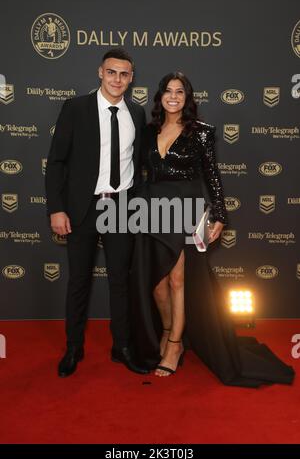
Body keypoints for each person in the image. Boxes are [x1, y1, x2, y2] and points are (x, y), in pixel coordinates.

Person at [130, 72, 295, 387]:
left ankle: (175, 345)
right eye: (168, 91)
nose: (174, 96)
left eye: (180, 91)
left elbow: (212, 175)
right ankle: (167, 330)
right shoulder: (148, 131)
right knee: (157, 282)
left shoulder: (201, 133)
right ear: (159, 97)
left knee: (178, 278)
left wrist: (219, 213)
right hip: (152, 209)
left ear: (188, 97)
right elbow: (139, 173)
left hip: (185, 207)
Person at [45, 48, 149, 377]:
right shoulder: (76, 108)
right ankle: (73, 348)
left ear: (131, 78)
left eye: (124, 74)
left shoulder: (137, 112)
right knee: (79, 281)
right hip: (82, 208)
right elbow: (57, 163)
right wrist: (57, 209)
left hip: (120, 205)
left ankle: (123, 347)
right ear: (100, 73)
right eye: (111, 72)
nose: (117, 79)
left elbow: (141, 163)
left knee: (121, 282)